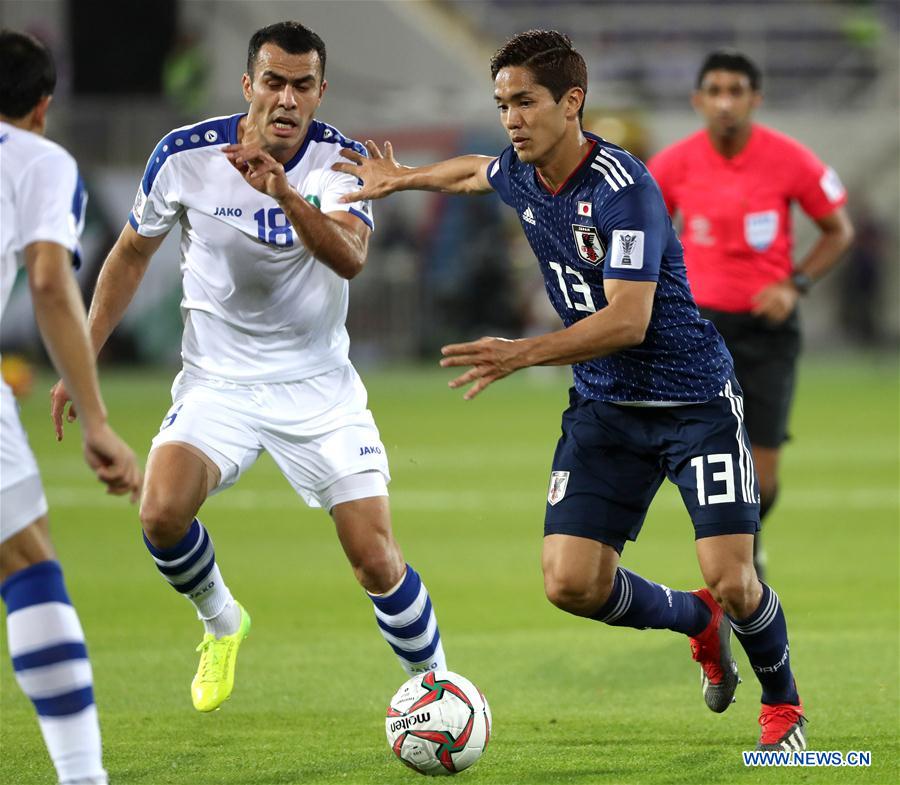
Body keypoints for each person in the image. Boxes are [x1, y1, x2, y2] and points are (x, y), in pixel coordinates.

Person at [335, 30, 808, 752]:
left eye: (525, 102)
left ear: (571, 102)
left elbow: (628, 318)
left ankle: (782, 703)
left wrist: (519, 352)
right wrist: (404, 179)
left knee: (736, 578)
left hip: (693, 404)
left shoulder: (624, 189)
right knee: (572, 583)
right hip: (605, 409)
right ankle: (697, 621)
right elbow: (474, 173)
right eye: (502, 104)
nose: (512, 118)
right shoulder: (522, 171)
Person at [50, 21, 446, 714]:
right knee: (161, 513)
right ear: (248, 85)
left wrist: (286, 195)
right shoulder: (184, 155)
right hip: (219, 383)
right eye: (273, 82)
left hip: (319, 389)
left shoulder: (342, 161)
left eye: (301, 86)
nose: (286, 99)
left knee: (376, 559)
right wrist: (79, 356)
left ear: (320, 92)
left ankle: (440, 688)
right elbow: (131, 254)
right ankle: (221, 619)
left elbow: (351, 258)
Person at [647, 50, 854, 579]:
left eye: (736, 91)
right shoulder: (672, 164)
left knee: (764, 474)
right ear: (697, 100)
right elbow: (642, 235)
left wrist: (796, 284)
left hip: (767, 332)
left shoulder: (791, 159)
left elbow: (839, 231)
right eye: (714, 91)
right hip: (699, 332)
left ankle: (747, 546)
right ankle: (732, 565)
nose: (724, 103)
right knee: (707, 460)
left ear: (755, 99)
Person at [1, 29, 142, 785]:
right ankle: (82, 777)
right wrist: (95, 418)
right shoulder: (35, 158)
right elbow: (52, 283)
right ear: (43, 107)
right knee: (27, 561)